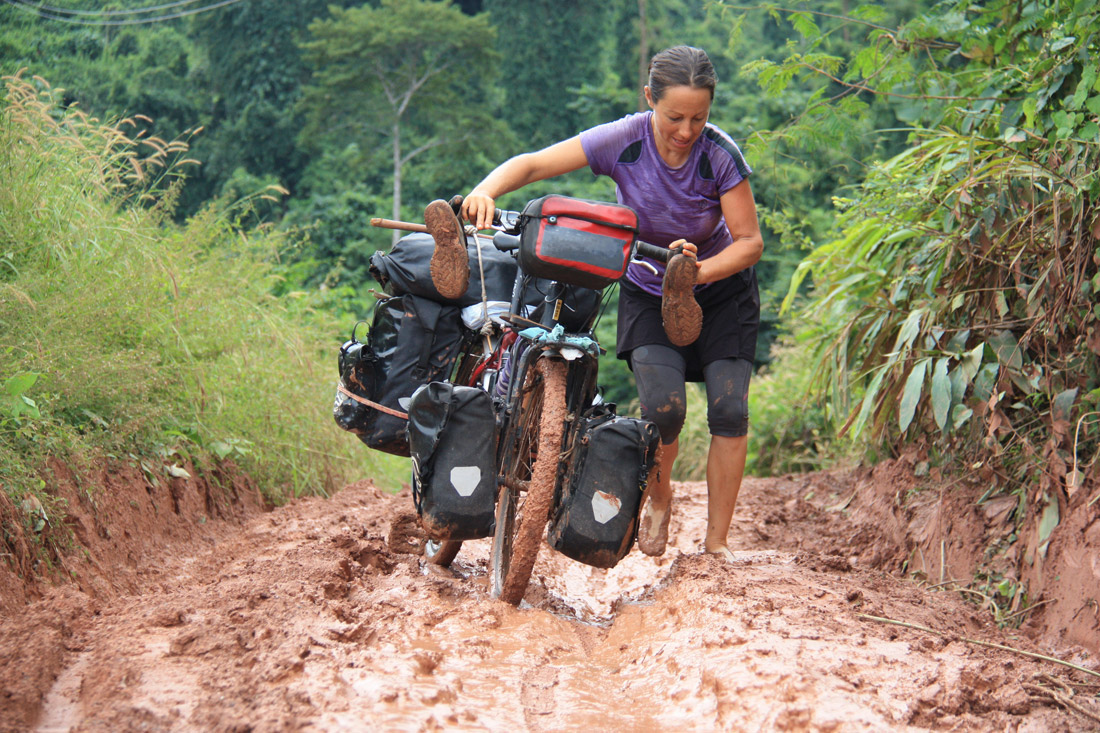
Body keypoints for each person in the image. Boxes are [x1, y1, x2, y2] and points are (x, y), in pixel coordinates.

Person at [426, 45, 763, 562]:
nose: (686, 129)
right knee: (663, 411)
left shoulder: (719, 154)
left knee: (729, 408)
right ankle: (661, 497)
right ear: (649, 99)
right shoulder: (624, 139)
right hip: (650, 288)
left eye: (699, 117)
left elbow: (748, 241)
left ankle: (716, 543)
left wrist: (693, 275)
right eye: (675, 116)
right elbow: (536, 164)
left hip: (719, 288)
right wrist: (484, 192)